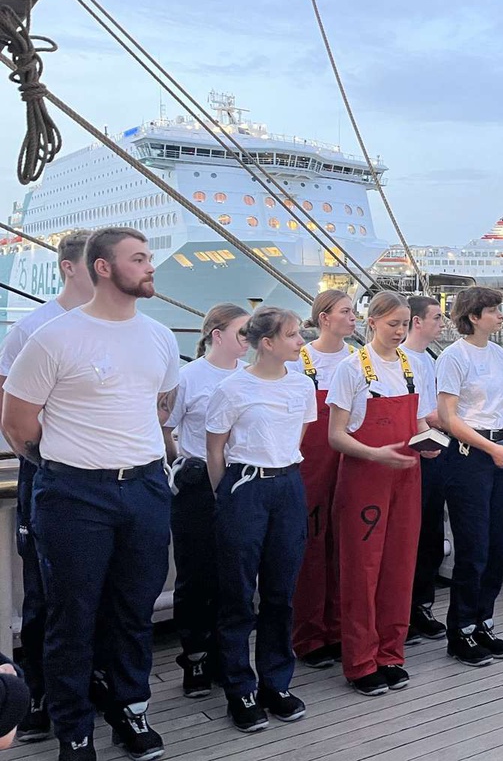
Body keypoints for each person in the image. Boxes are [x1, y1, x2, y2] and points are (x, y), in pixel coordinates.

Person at [2, 227, 178, 761]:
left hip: (145, 487)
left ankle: (131, 709)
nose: (151, 267)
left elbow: (160, 402)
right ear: (103, 267)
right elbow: (17, 424)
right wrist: (66, 468)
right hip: (75, 493)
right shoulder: (53, 337)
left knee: (133, 609)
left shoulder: (160, 336)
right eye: (139, 259)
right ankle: (73, 730)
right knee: (71, 617)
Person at [0, 229, 91, 744]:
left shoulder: (117, 325)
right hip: (48, 472)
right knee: (43, 591)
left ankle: (89, 686)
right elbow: (9, 407)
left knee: (98, 591)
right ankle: (36, 695)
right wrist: (43, 458)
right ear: (70, 267)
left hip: (102, 476)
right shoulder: (32, 328)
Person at [206, 306, 314, 733]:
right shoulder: (233, 388)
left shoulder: (302, 386)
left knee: (280, 591)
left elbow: (297, 437)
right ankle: (240, 688)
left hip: (287, 485)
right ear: (267, 343)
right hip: (244, 486)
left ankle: (276, 682)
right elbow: (215, 450)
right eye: (292, 335)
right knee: (237, 593)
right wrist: (225, 498)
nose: (300, 341)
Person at [327, 292, 433, 695]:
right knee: (362, 570)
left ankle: (391, 652)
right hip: (365, 475)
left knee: (399, 567)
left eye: (405, 324)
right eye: (393, 324)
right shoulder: (351, 369)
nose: (400, 332)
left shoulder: (412, 366)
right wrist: (375, 454)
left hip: (406, 474)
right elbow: (336, 435)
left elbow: (419, 419)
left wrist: (429, 440)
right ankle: (359, 661)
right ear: (372, 322)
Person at [162, 303, 250, 700]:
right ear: (217, 334)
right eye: (241, 332)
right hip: (197, 483)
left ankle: (225, 653)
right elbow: (164, 427)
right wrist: (181, 463)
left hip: (239, 479)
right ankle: (195, 655)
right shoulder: (188, 378)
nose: (248, 340)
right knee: (196, 574)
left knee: (234, 573)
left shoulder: (250, 377)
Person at [436, 287, 503, 667]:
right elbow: (449, 417)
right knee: (472, 548)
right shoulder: (452, 358)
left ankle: (484, 620)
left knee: (495, 544)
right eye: (493, 311)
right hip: (469, 455)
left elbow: (493, 399)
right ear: (473, 316)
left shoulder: (495, 352)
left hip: (498, 449)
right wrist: (491, 447)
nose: (500, 317)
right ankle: (460, 630)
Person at [289, 289, 357, 670]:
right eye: (346, 311)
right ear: (324, 317)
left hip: (350, 460)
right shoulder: (301, 361)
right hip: (311, 464)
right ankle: (309, 634)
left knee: (344, 546)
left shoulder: (359, 361)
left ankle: (339, 627)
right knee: (312, 547)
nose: (354, 318)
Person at [405, 297, 451, 643]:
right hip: (410, 454)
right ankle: (404, 609)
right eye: (436, 317)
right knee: (407, 536)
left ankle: (421, 604)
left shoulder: (431, 360)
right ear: (416, 322)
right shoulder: (402, 361)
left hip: (434, 452)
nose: (441, 322)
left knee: (430, 534)